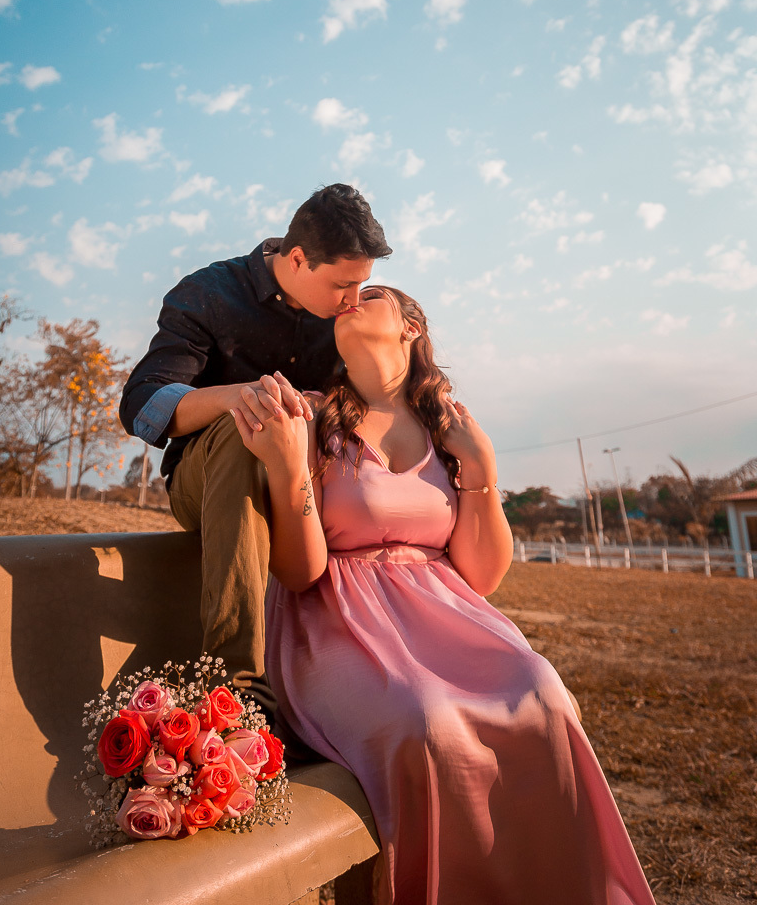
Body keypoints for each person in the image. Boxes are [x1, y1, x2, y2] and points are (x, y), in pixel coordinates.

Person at [231, 285, 657, 905]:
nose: (353, 296)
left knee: (544, 693)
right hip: (339, 622)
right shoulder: (313, 414)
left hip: (447, 613)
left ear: (410, 326)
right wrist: (287, 469)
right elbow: (299, 573)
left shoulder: (446, 424)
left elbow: (481, 575)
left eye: (371, 293)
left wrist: (481, 467)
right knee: (424, 718)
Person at [119, 184, 391, 712]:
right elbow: (141, 403)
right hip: (206, 482)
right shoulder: (208, 292)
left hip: (310, 489)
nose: (354, 301)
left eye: (363, 286)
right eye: (343, 285)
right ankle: (235, 692)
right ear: (296, 259)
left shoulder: (346, 315)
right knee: (250, 423)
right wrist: (237, 396)